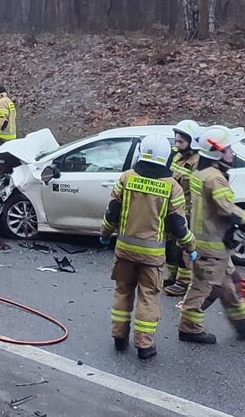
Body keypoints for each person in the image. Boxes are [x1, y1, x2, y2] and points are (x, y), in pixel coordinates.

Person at [100, 132, 197, 360]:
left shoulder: (127, 178)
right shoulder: (172, 187)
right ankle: (144, 346)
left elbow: (112, 211)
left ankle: (119, 337)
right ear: (165, 157)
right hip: (152, 257)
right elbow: (178, 225)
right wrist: (190, 247)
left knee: (123, 292)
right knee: (148, 297)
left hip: (124, 251)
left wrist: (104, 234)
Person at [178, 126, 245, 344]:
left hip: (211, 242)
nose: (231, 153)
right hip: (211, 245)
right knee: (203, 288)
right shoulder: (215, 178)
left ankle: (244, 325)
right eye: (228, 148)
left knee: (229, 285)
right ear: (217, 151)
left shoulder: (201, 173)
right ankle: (189, 328)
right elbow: (226, 209)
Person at [164, 119, 205, 297]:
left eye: (181, 141)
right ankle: (172, 277)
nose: (177, 144)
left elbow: (199, 192)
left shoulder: (198, 162)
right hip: (173, 209)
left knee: (183, 249)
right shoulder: (178, 157)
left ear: (192, 142)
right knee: (170, 247)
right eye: (176, 140)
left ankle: (183, 282)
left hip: (187, 212)